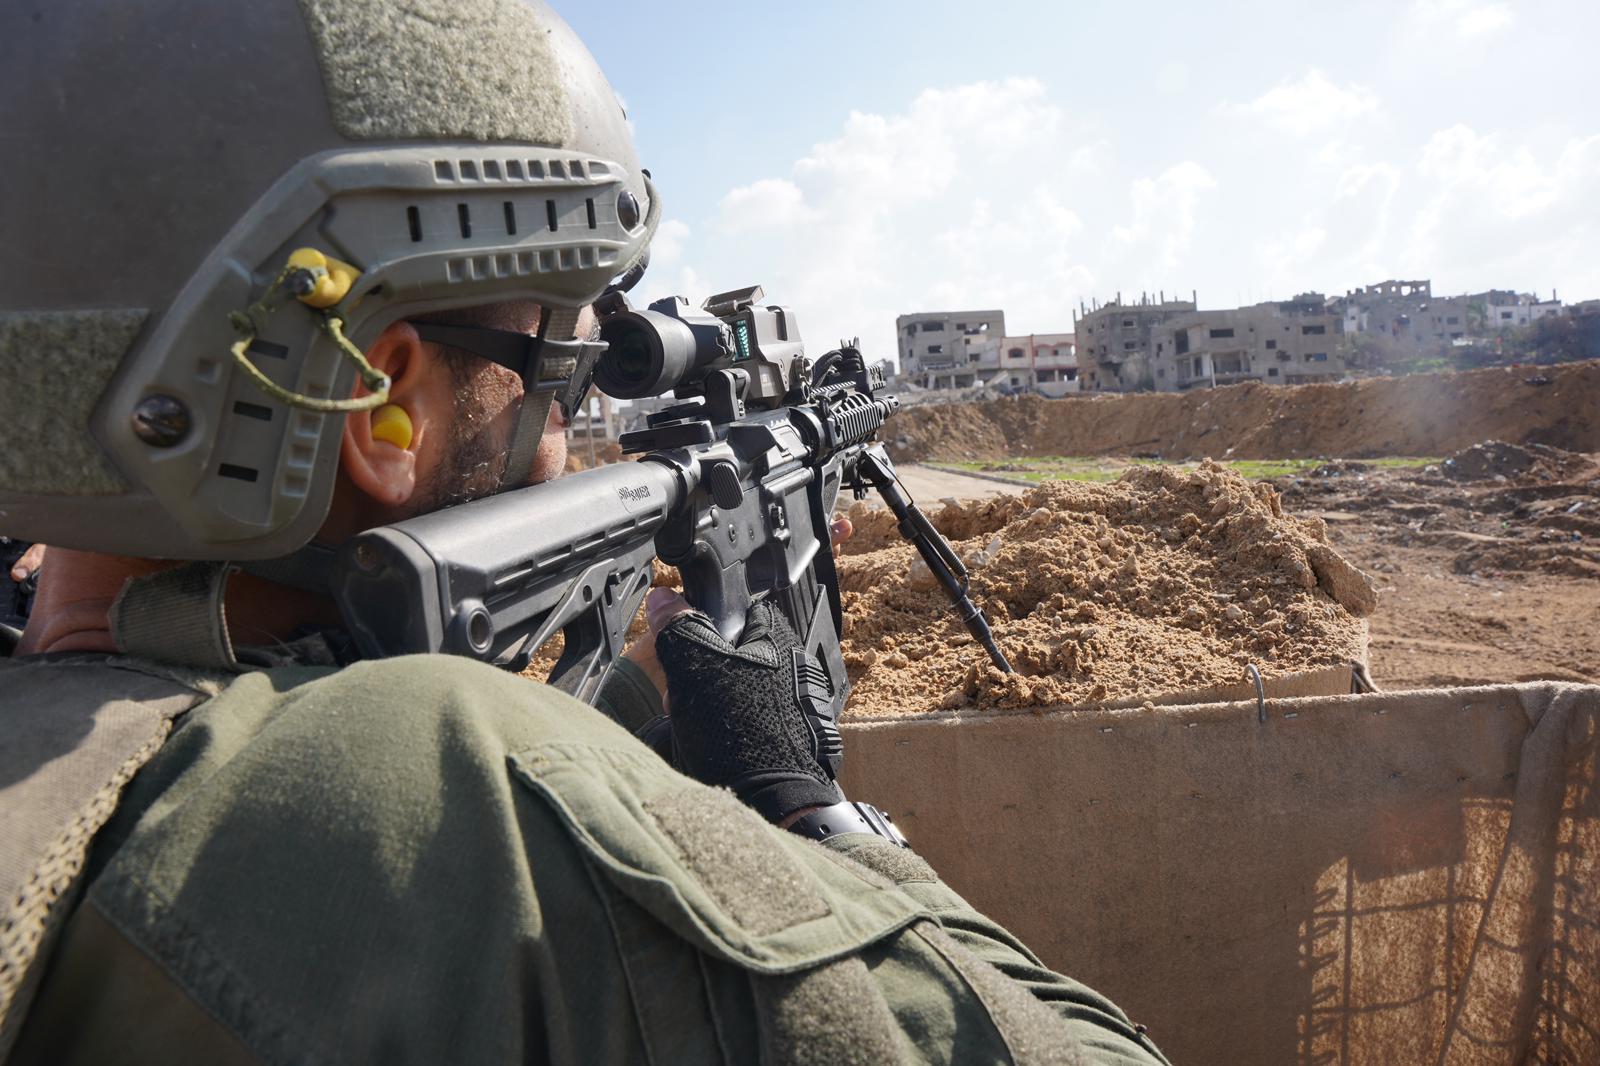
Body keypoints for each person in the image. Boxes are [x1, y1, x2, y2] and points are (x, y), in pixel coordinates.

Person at [0, 2, 1169, 1063]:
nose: (563, 442)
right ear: (379, 402)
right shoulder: (461, 779)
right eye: (561, 372)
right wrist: (805, 806)